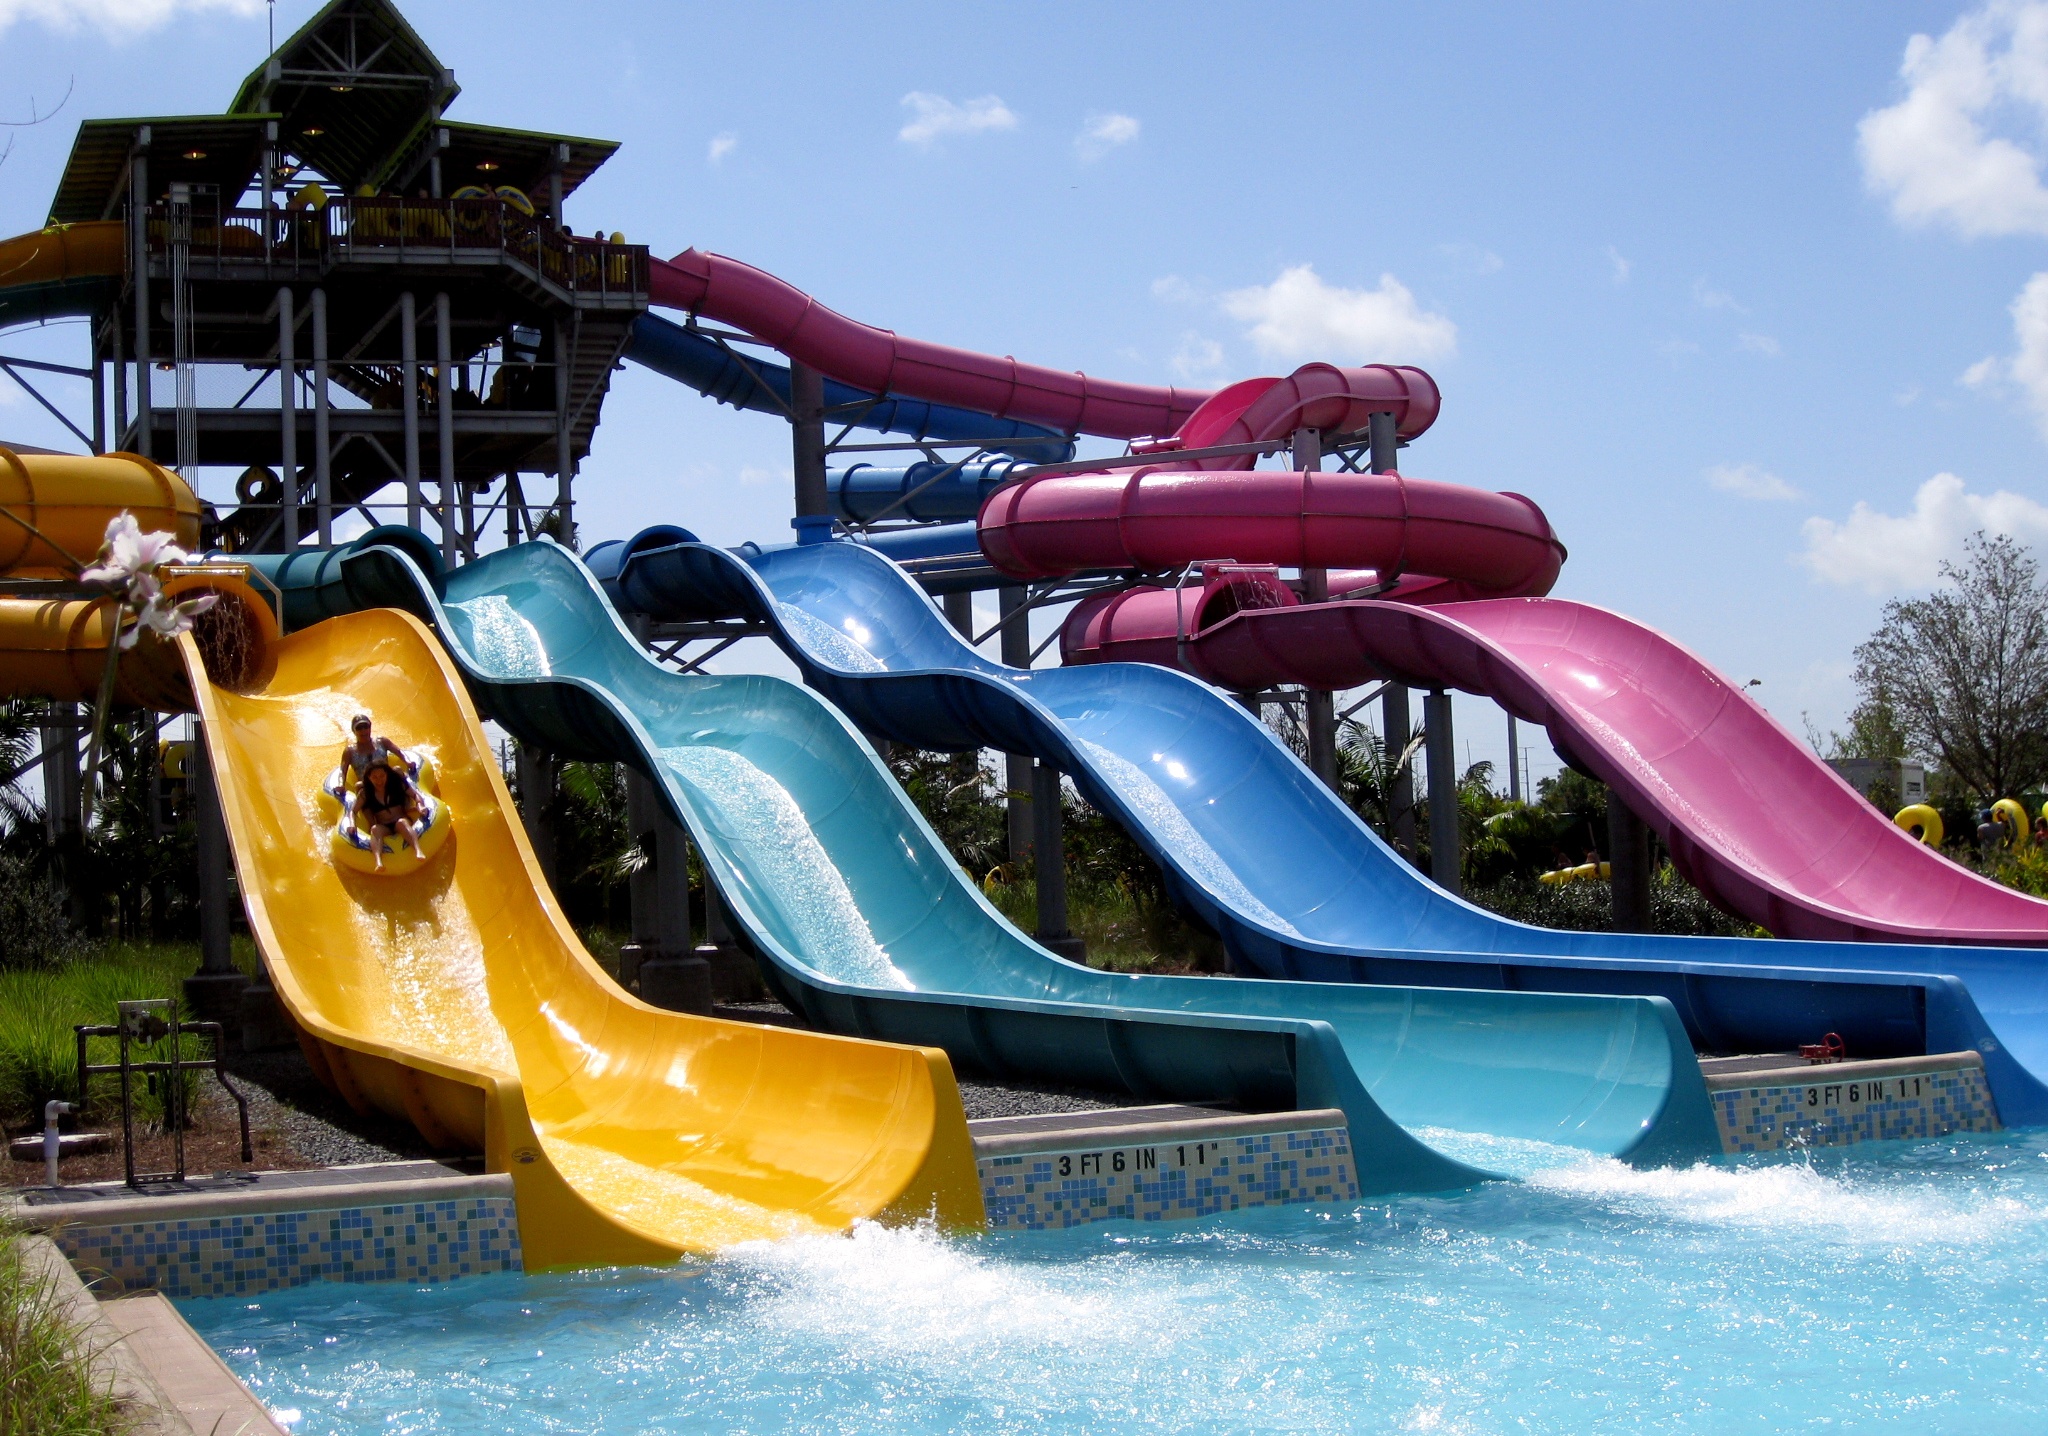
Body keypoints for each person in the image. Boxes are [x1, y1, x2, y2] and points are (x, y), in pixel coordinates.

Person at [355, 759, 422, 870]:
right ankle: (378, 862)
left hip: (401, 819)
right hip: (384, 826)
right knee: (375, 829)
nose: (379, 780)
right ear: (369, 778)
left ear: (387, 774)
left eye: (382, 776)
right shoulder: (365, 793)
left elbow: (415, 795)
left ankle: (418, 850)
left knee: (401, 823)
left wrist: (420, 805)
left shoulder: (396, 785)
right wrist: (352, 824)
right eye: (374, 777)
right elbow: (353, 811)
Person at [340, 713, 407, 799]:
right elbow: (342, 770)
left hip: (386, 780)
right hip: (367, 786)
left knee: (397, 770)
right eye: (359, 728)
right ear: (354, 731)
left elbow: (399, 752)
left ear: (370, 728)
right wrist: (340, 784)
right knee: (359, 785)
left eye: (366, 726)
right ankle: (364, 811)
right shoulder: (349, 751)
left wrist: (408, 762)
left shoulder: (382, 741)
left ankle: (408, 801)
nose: (363, 730)